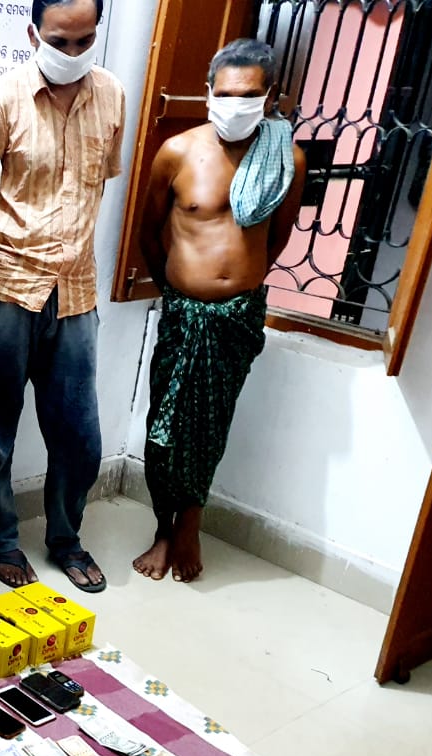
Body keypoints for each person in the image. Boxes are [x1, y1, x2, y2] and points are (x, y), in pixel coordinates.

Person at [133, 38, 305, 583]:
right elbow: (148, 232)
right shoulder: (177, 152)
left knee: (210, 427)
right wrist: (181, 289)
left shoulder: (286, 159)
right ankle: (164, 527)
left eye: (248, 95)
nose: (236, 104)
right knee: (163, 426)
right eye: (226, 94)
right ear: (209, 92)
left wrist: (236, 284)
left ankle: (191, 523)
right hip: (183, 314)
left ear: (269, 96)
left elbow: (277, 238)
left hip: (237, 318)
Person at [0, 0, 124, 594]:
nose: (73, 53)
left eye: (85, 40)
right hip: (6, 286)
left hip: (76, 290)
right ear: (34, 34)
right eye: (60, 41)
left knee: (80, 435)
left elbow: (99, 185)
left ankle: (66, 539)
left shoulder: (111, 95)